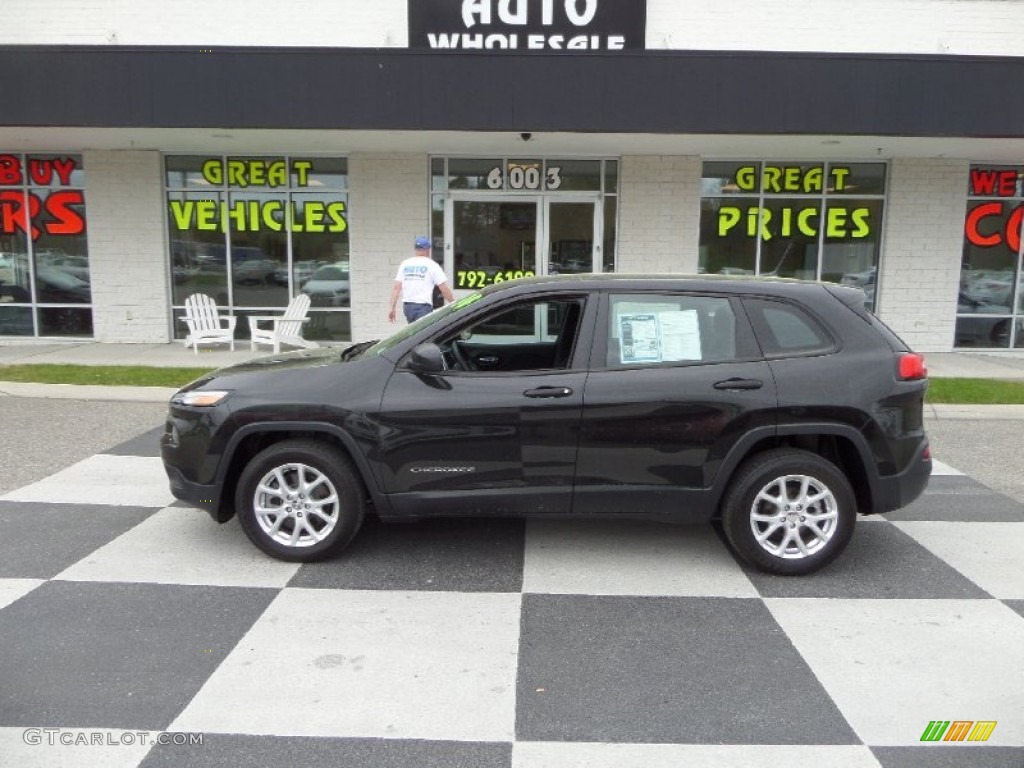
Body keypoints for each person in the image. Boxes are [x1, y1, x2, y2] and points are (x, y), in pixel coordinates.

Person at [388, 236, 454, 323]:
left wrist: (391, 308)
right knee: (423, 334)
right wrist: (454, 304)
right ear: (427, 249)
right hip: (423, 306)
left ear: (416, 249)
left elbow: (396, 288)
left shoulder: (405, 264)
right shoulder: (432, 265)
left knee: (414, 332)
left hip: (408, 307)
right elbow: (443, 288)